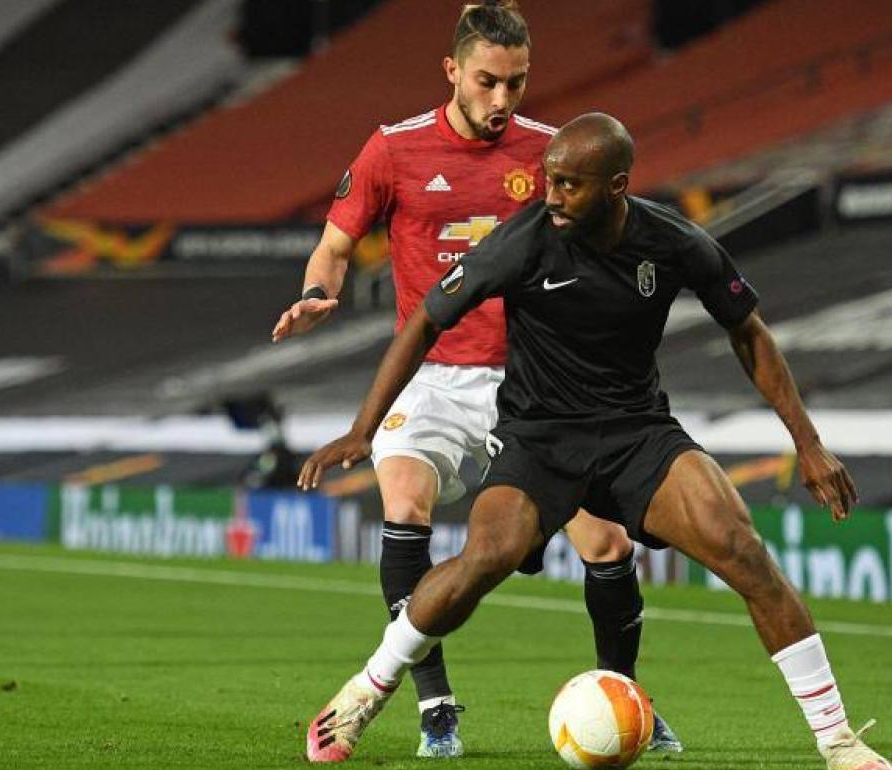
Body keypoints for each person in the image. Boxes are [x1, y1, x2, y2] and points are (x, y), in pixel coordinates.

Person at [298, 113, 892, 770]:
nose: (550, 196)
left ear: (616, 186)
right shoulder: (520, 241)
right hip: (539, 439)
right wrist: (363, 429)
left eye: (568, 185)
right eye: (549, 180)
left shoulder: (673, 241)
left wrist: (807, 444)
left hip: (637, 434)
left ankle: (839, 744)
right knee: (485, 559)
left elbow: (749, 331)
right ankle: (365, 691)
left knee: (742, 550)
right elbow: (424, 324)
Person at [271, 2, 681, 759]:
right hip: (429, 377)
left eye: (516, 84)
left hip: (533, 383)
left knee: (608, 543)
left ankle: (624, 700)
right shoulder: (393, 150)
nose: (502, 101)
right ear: (452, 71)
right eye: (488, 81)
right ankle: (435, 706)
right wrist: (317, 290)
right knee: (404, 501)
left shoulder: (551, 156)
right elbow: (335, 244)